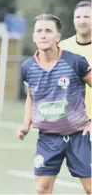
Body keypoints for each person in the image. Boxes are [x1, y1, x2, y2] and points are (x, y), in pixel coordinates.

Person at [16, 14, 91, 195]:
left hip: (78, 136)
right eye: (39, 31)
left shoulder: (76, 62)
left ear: (57, 37)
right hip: (48, 139)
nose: (43, 35)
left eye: (48, 31)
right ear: (34, 37)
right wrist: (26, 125)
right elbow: (31, 97)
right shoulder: (28, 68)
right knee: (42, 189)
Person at [59, 1, 91, 119]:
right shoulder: (63, 47)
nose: (81, 21)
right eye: (78, 17)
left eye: (86, 17)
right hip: (70, 118)